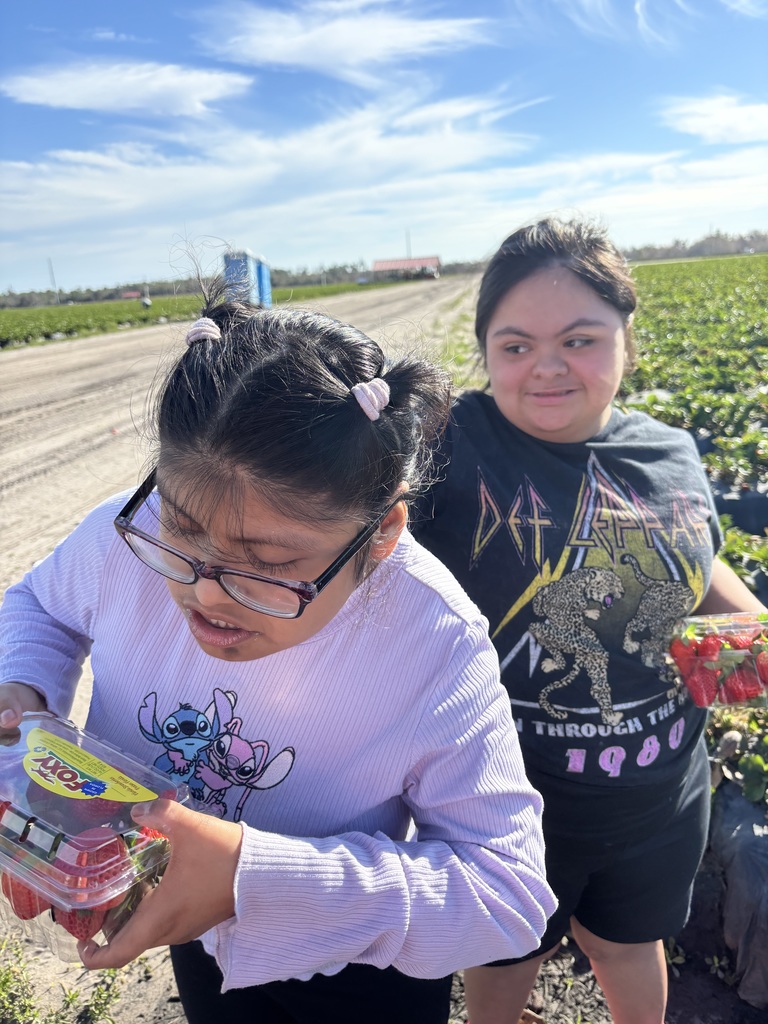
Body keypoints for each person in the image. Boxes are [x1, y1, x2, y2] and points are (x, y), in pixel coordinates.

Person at [0, 296, 556, 1024]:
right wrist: (22, 686)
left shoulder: (431, 640)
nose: (205, 592)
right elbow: (37, 605)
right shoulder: (122, 540)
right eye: (182, 528)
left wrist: (248, 881)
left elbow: (506, 894)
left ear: (381, 534)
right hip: (187, 929)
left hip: (358, 966)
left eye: (266, 564)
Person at [411, 216, 767, 1024]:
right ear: (485, 351)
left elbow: (695, 558)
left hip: (660, 795)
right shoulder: (449, 447)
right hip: (506, 802)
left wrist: (752, 629)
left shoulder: (669, 452)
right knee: (507, 952)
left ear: (626, 340)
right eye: (516, 345)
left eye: (579, 340)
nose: (547, 367)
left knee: (628, 946)